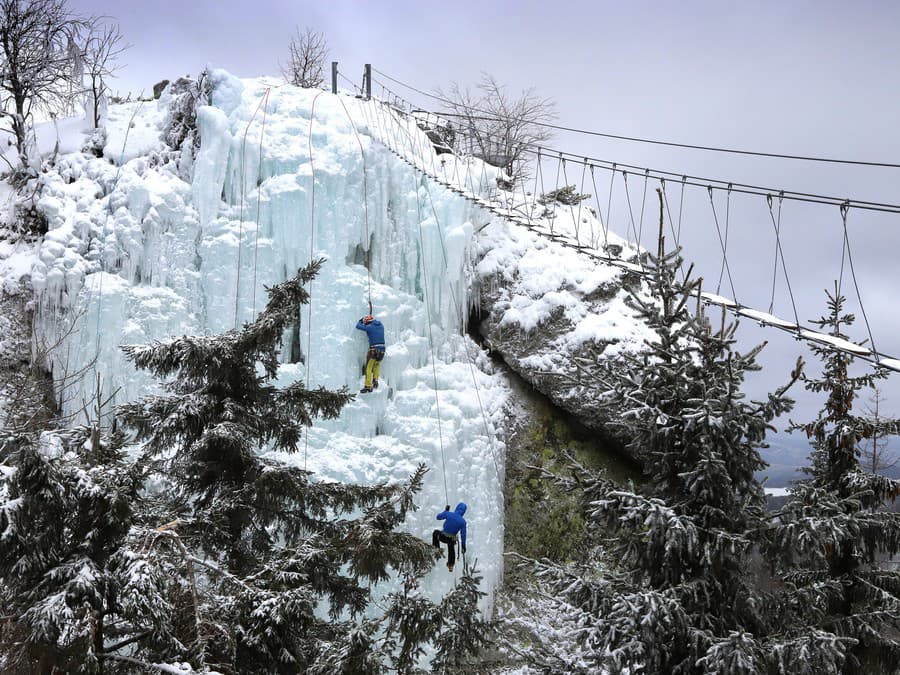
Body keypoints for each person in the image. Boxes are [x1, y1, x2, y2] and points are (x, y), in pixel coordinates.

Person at [432, 502, 467, 572]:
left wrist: (446, 511)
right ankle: (451, 565)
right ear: (464, 512)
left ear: (457, 508)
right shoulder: (463, 522)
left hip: (442, 537)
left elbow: (438, 517)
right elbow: (463, 535)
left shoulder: (449, 514)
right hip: (451, 540)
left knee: (435, 533)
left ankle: (436, 550)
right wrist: (463, 546)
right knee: (451, 548)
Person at [355, 314, 385, 393]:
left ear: (367, 322)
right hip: (382, 350)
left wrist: (361, 320)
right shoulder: (381, 325)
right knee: (377, 365)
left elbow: (358, 326)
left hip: (373, 350)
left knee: (369, 367)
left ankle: (368, 386)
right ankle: (375, 380)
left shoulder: (369, 327)